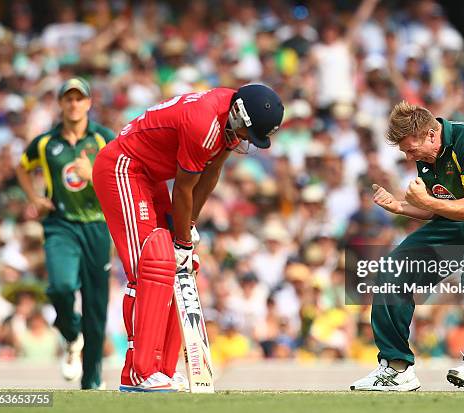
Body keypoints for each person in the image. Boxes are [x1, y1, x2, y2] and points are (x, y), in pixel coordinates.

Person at [92, 84, 283, 392]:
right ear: (238, 114)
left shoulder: (233, 117)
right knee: (151, 264)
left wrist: (189, 226)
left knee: (183, 265)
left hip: (148, 174)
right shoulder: (205, 123)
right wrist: (180, 240)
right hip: (122, 169)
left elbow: (212, 173)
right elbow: (183, 188)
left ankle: (162, 371)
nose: (247, 139)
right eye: (248, 132)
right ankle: (139, 372)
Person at [350, 101, 464, 392]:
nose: (410, 157)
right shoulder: (427, 154)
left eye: (411, 149)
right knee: (391, 271)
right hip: (458, 220)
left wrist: (424, 202)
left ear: (431, 136)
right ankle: (395, 369)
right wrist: (399, 206)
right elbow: (439, 208)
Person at [16, 77, 115, 390]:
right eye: (68, 99)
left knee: (95, 305)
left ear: (88, 103)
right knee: (59, 287)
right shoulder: (47, 143)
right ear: (61, 103)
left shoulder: (102, 139)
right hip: (61, 224)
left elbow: (121, 172)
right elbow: (22, 166)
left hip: (97, 225)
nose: (74, 104)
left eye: (79, 98)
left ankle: (92, 380)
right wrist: (34, 198)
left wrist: (94, 174)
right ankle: (72, 335)